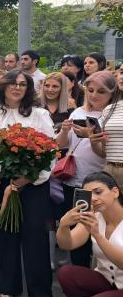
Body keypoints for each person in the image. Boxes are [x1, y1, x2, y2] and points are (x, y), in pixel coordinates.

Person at [0, 69, 55, 297]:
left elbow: (50, 150)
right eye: (13, 83)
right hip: (2, 181)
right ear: (3, 87)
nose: (17, 88)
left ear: (28, 89)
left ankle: (40, 291)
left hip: (34, 183)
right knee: (5, 234)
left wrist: (27, 178)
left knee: (34, 235)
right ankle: (7, 286)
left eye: (22, 84)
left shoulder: (39, 114)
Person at [56, 70, 115, 268]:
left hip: (101, 180)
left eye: (101, 91)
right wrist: (65, 130)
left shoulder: (112, 115)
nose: (94, 95)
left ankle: (103, 272)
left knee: (101, 229)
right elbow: (63, 145)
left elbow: (107, 153)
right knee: (76, 225)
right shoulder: (78, 112)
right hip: (74, 177)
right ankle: (80, 272)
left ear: (112, 93)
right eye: (90, 90)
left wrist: (93, 137)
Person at [56, 172, 123, 297]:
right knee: (66, 273)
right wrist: (63, 225)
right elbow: (67, 244)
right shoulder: (94, 216)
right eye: (89, 195)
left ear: (115, 192)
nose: (93, 198)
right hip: (106, 280)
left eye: (98, 192)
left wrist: (97, 235)